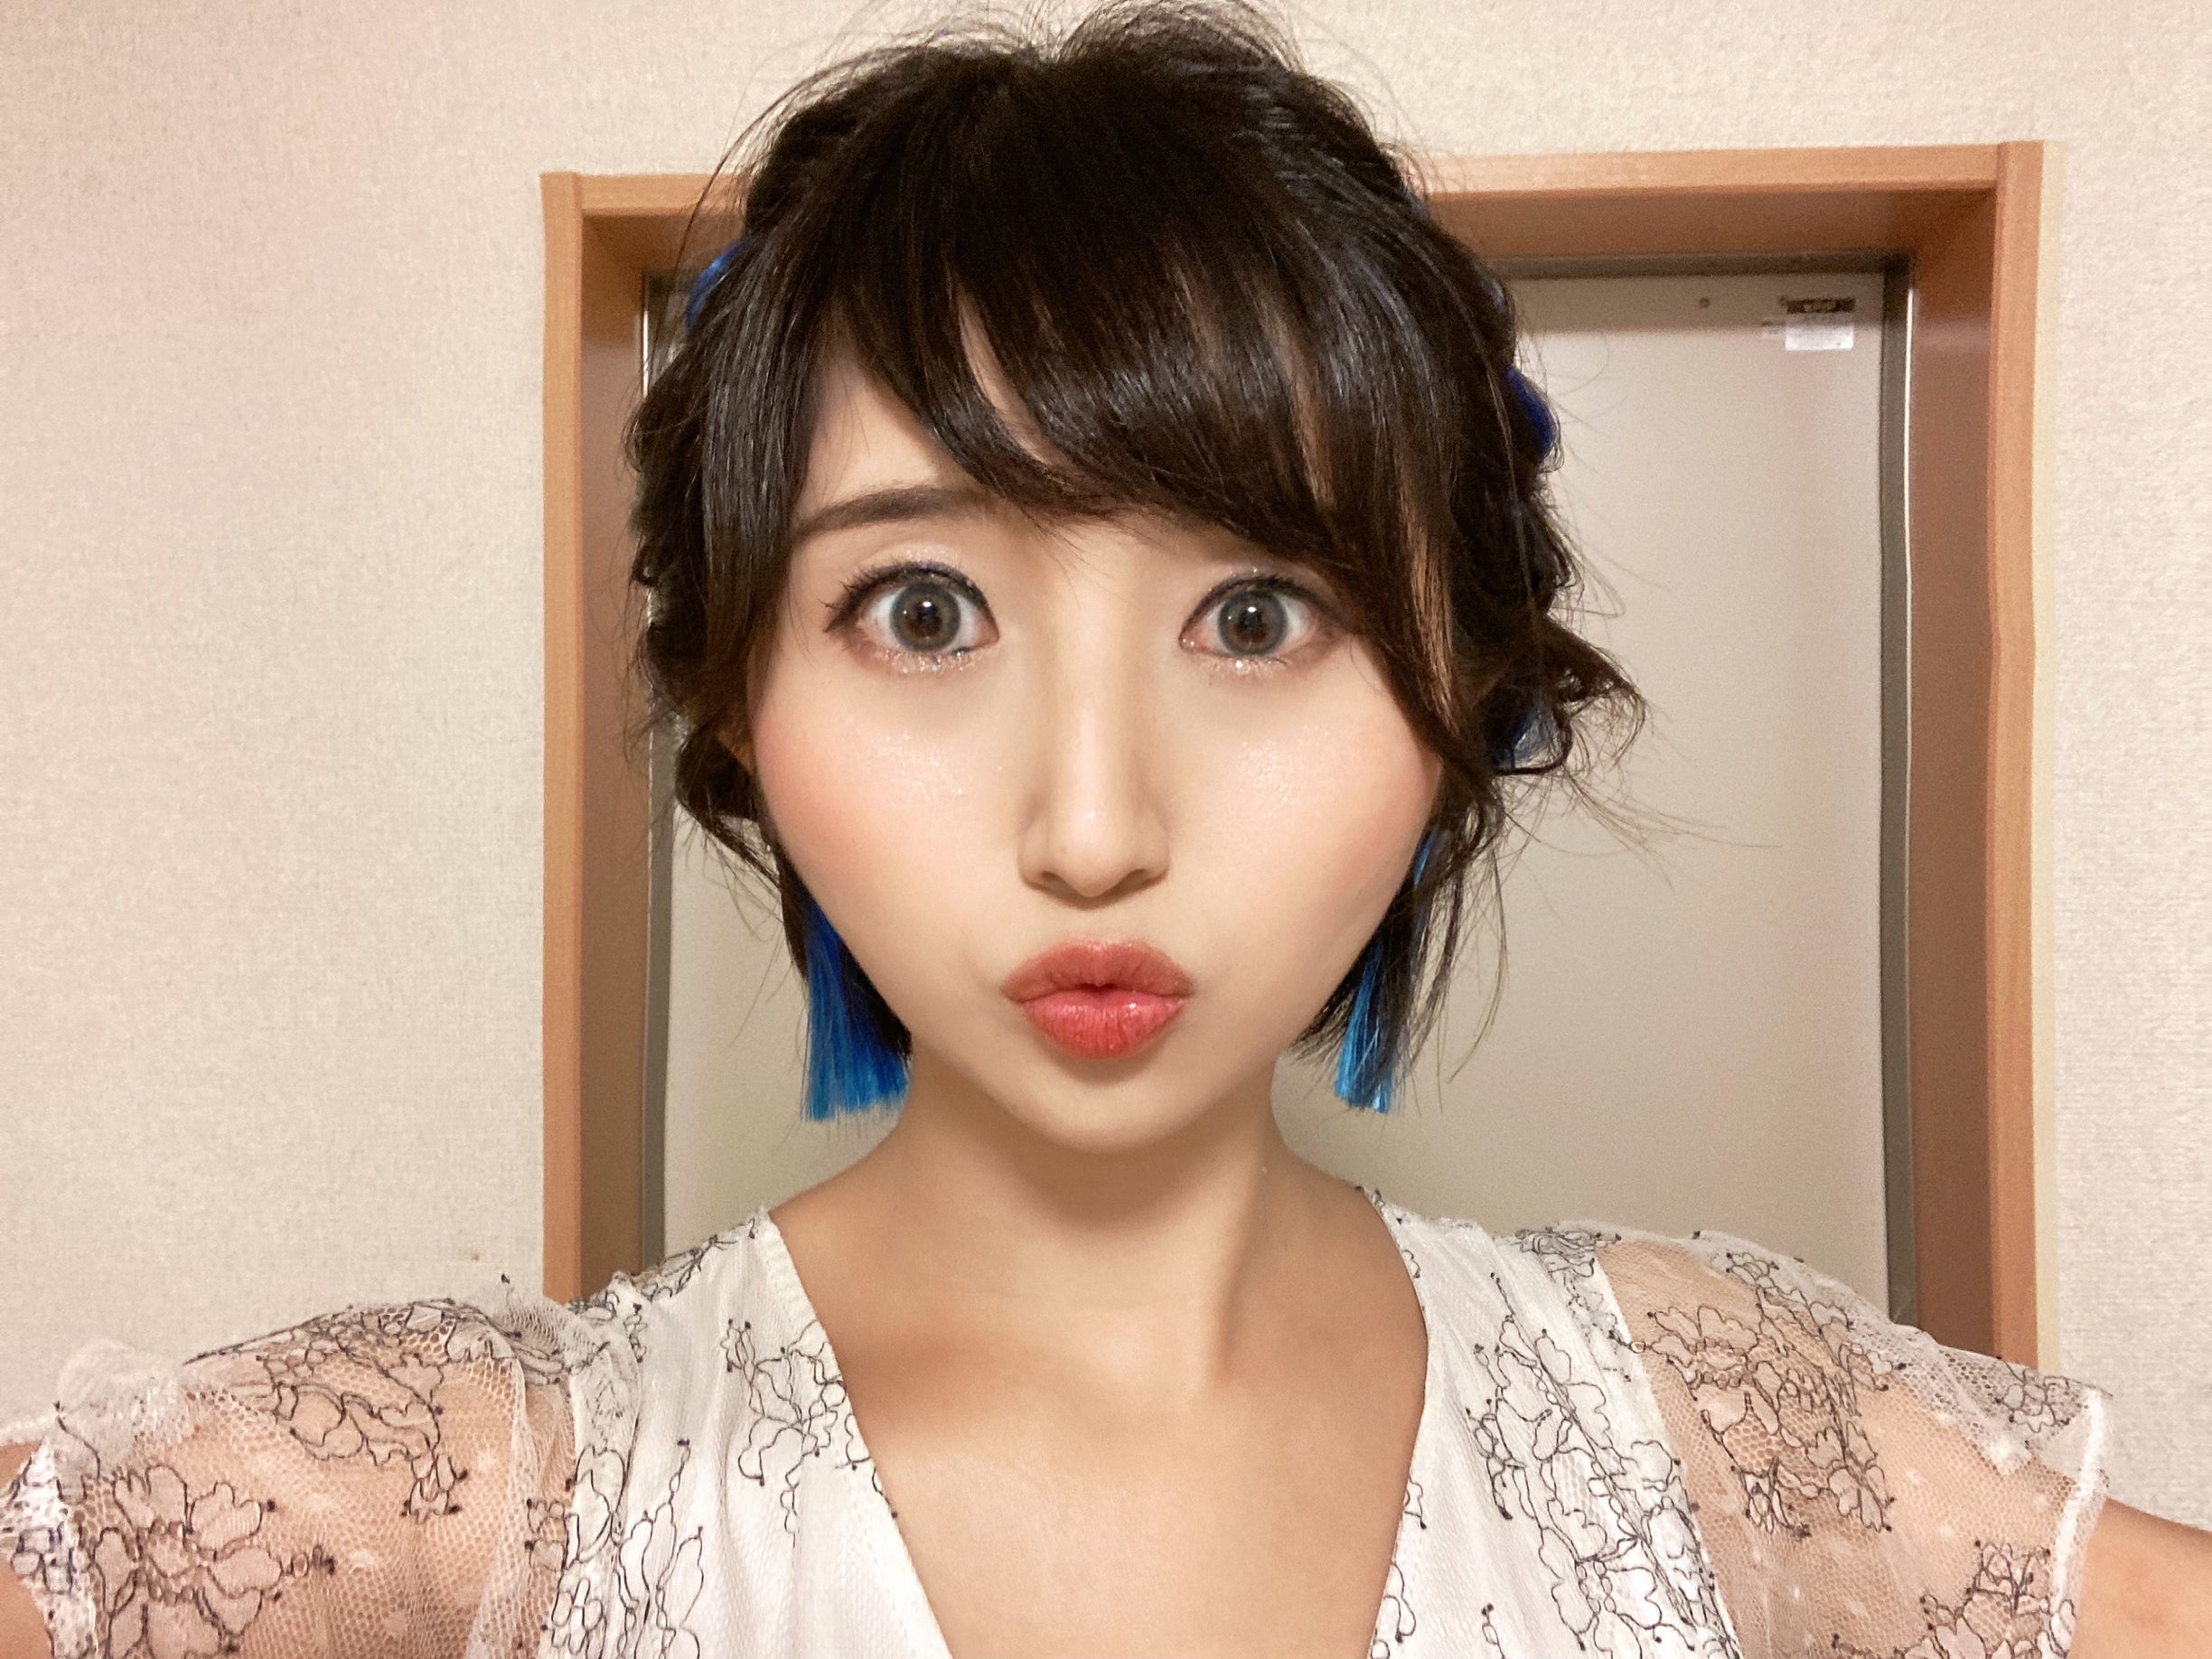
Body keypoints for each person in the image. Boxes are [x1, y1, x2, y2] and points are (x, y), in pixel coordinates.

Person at [5, 4, 2209, 1655]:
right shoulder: (463, 1501)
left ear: (1458, 702)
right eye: (923, 610)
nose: (1090, 826)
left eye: (1256, 616)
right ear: (742, 701)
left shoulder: (1723, 1435)